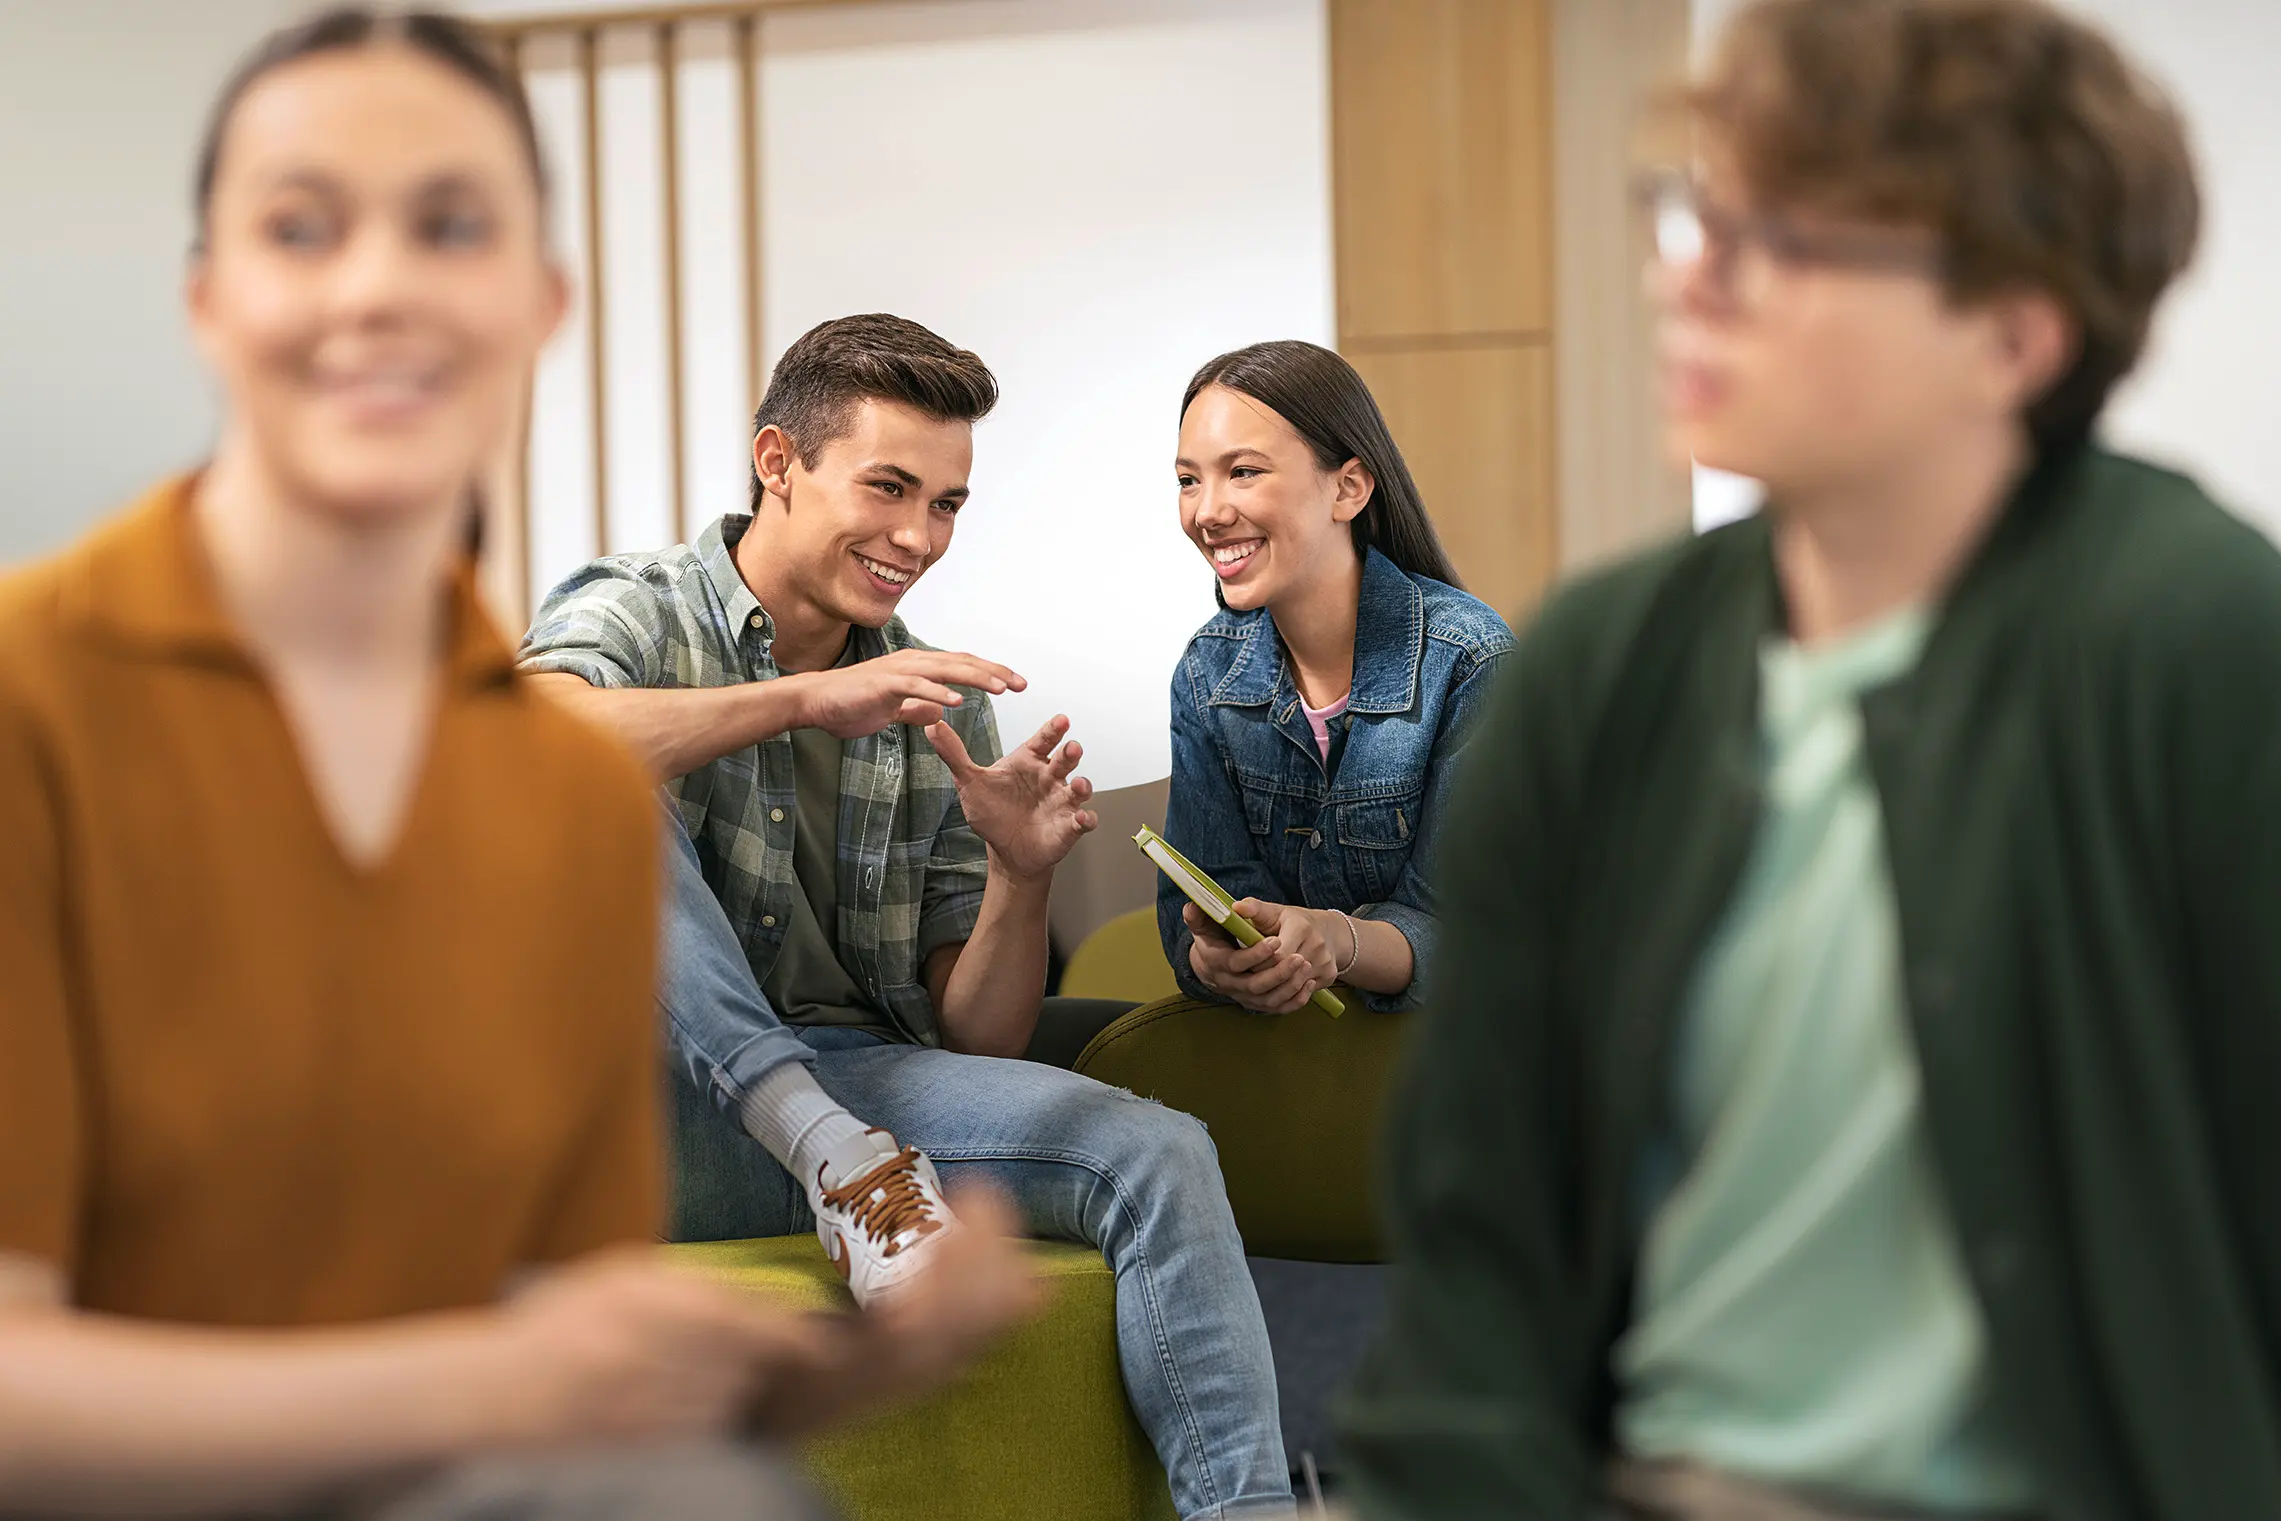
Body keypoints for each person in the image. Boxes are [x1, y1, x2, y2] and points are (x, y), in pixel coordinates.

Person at [0, 12, 1033, 1518]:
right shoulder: (41, 705)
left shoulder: (551, 785)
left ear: (537, 303)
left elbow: (545, 1313)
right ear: (210, 300)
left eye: (450, 225)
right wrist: (489, 1386)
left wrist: (816, 1377)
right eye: (303, 225)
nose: (378, 285)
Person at [1342, 1, 2281, 1518]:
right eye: (1693, 209)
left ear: (2012, 335)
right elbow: (1480, 1259)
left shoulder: (2193, 639)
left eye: (1789, 236)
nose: (1691, 273)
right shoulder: (1598, 668)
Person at [521, 313, 1297, 1519]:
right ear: (779, 462)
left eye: (945, 505)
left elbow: (974, 1037)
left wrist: (1017, 872)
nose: (916, 538)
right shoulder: (641, 613)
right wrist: (802, 699)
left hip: (871, 1119)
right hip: (640, 1122)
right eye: (889, 488)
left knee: (1158, 1152)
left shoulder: (929, 698)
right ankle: (824, 1151)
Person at [1158, 341, 1512, 1017]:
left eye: (1243, 472)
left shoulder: (1469, 660)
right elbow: (1194, 908)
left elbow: (1470, 937)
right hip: (1290, 1064)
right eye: (1187, 480)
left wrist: (1336, 940)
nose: (1206, 510)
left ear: (1347, 486)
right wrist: (1216, 958)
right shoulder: (1205, 672)